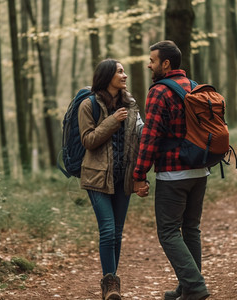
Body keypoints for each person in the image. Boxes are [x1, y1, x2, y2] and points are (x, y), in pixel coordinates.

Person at [133, 41, 210, 300]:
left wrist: (139, 175)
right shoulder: (196, 87)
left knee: (168, 232)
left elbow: (150, 138)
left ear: (166, 64)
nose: (148, 64)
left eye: (152, 60)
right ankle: (187, 287)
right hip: (200, 170)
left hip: (173, 174)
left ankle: (195, 286)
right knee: (191, 229)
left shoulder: (159, 92)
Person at [78, 58, 145, 300]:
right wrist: (112, 121)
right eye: (120, 72)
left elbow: (139, 139)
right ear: (107, 77)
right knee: (107, 230)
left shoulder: (132, 104)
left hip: (122, 178)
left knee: (117, 232)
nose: (125, 75)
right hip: (96, 179)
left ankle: (112, 284)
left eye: (125, 71)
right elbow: (88, 140)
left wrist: (140, 176)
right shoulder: (88, 105)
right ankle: (110, 284)